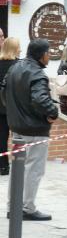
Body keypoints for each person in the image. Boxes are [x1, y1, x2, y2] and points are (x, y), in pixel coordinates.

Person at [2, 39, 58, 220]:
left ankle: (14, 205)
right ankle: (26, 207)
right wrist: (52, 112)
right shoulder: (37, 74)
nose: (49, 57)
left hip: (17, 127)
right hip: (35, 129)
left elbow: (3, 93)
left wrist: (13, 112)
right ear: (42, 55)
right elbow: (41, 100)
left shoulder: (14, 68)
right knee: (34, 169)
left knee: (18, 168)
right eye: (48, 53)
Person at [0, 36, 20, 175]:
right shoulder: (19, 65)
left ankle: (3, 166)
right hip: (14, 108)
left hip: (0, 107)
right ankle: (19, 164)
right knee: (19, 138)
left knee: (1, 137)